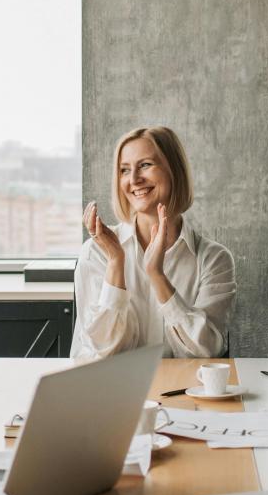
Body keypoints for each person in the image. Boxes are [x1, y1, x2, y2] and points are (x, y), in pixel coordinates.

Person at [70, 126, 236, 362]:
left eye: (145, 165)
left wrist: (157, 275)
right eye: (124, 170)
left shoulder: (214, 259)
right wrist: (116, 263)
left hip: (182, 393)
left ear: (174, 171)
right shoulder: (96, 252)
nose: (134, 179)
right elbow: (102, 352)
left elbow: (206, 352)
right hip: (111, 392)